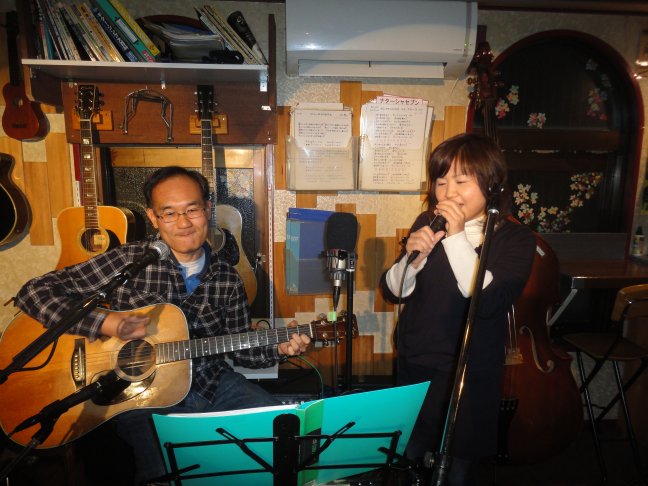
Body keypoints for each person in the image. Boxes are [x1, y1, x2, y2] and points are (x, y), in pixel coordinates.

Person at [14, 166, 311, 485]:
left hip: (211, 383)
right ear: (153, 218)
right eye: (169, 213)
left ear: (207, 209)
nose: (183, 223)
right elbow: (33, 292)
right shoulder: (129, 261)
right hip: (140, 394)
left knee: (280, 432)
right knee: (164, 472)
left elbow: (241, 351)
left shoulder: (228, 278)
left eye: (192, 210)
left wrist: (279, 347)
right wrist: (105, 322)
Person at [381, 133, 535, 485]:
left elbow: (487, 298)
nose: (448, 192)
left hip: (468, 375)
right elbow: (392, 290)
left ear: (492, 185)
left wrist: (456, 237)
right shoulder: (427, 221)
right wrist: (412, 260)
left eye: (461, 181)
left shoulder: (515, 239)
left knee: (456, 469)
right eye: (441, 181)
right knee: (409, 458)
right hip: (416, 363)